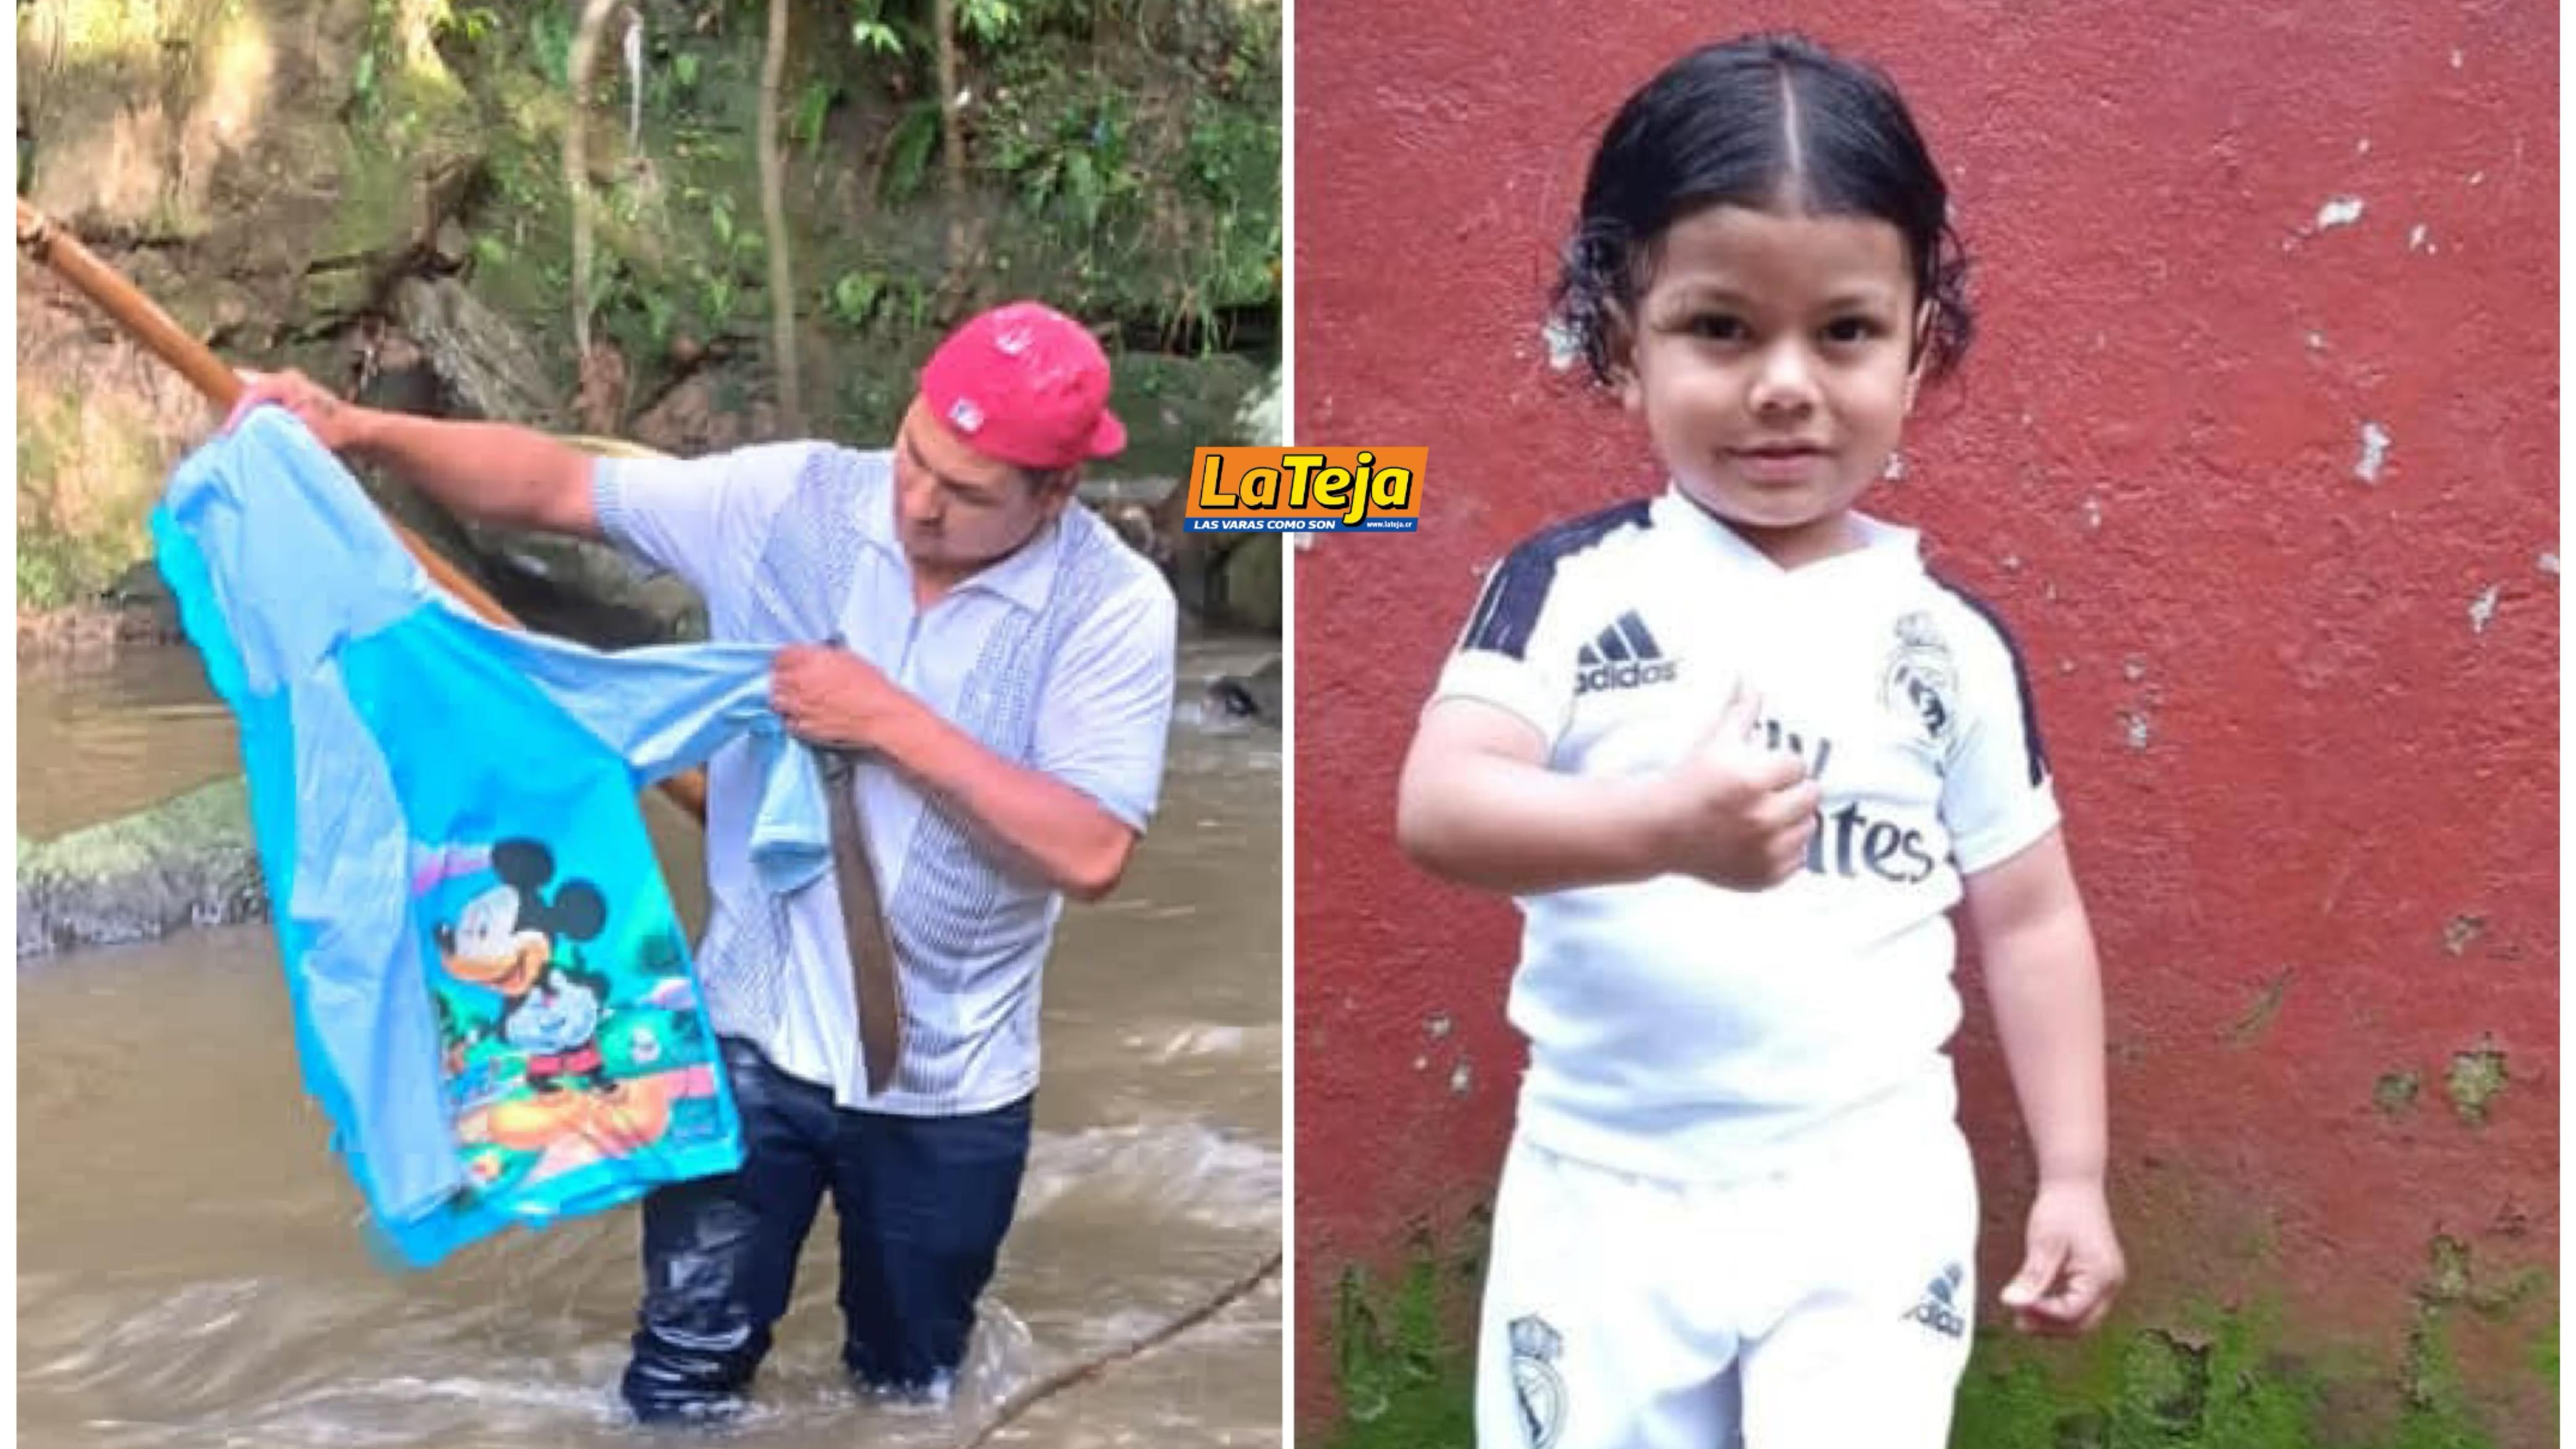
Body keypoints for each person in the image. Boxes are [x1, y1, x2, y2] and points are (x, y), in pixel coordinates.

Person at [230, 300, 1180, 1421]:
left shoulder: (1112, 609)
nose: (919, 501)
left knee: (911, 1386)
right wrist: (360, 432)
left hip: (951, 1081)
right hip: (747, 1041)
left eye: (967, 494)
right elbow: (557, 488)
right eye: (916, 456)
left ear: (1055, 493)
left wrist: (881, 717)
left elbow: (1091, 846)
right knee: (678, 1379)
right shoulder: (793, 502)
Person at [1393, 34, 2124, 1449]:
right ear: (1621, 338)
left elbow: (2030, 919)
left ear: (1921, 344)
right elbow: (1442, 804)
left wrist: (2075, 1176)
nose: (1783, 384)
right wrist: (1661, 828)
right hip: (1603, 1199)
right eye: (1720, 328)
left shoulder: (1949, 646)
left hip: (1866, 1195)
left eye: (1842, 331)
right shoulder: (1568, 587)